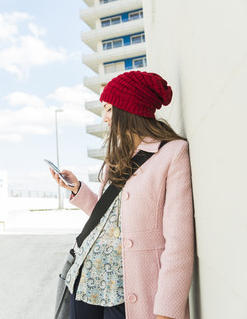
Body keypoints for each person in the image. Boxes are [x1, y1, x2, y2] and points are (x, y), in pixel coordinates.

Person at [49, 71, 194, 319]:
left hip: (126, 293)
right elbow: (111, 219)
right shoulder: (120, 156)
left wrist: (167, 310)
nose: (105, 118)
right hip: (86, 283)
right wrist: (77, 189)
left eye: (108, 109)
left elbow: (179, 242)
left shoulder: (172, 153)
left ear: (128, 109)